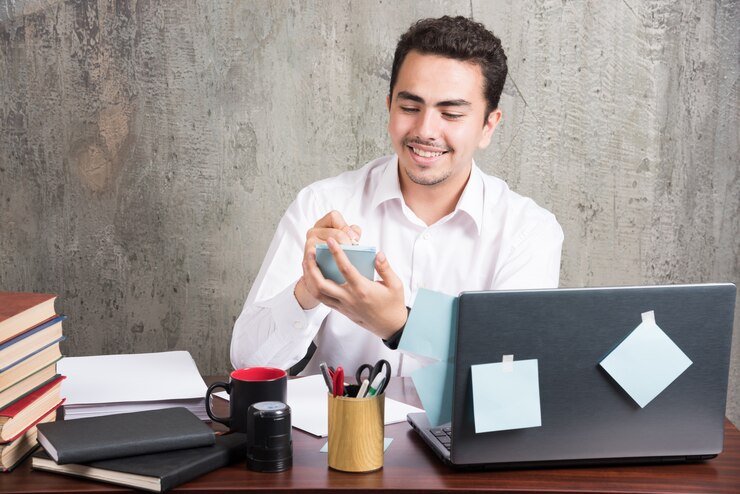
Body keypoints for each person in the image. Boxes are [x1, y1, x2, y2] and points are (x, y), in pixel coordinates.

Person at [230, 16, 563, 377]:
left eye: (451, 113)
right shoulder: (323, 205)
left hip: (457, 435)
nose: (424, 130)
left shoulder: (528, 232)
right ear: (389, 106)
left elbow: (509, 377)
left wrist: (401, 326)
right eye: (409, 107)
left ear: (488, 126)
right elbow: (247, 363)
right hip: (335, 433)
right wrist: (307, 293)